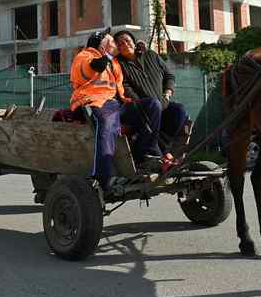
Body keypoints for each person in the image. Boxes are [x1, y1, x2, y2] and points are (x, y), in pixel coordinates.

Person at [69, 28, 163, 191]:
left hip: (117, 104)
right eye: (112, 41)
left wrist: (140, 45)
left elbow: (128, 67)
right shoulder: (85, 56)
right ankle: (104, 177)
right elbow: (95, 67)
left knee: (153, 105)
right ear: (102, 45)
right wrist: (107, 55)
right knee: (107, 124)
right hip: (94, 101)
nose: (116, 44)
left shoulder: (114, 63)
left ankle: (143, 155)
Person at [113, 30, 190, 148]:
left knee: (179, 110)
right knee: (153, 105)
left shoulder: (151, 55)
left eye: (127, 41)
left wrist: (167, 93)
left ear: (133, 42)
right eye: (120, 44)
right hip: (141, 109)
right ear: (117, 48)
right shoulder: (118, 64)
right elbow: (125, 88)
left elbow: (169, 75)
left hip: (163, 102)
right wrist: (145, 105)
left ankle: (165, 147)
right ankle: (148, 150)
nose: (125, 44)